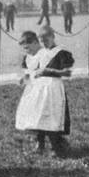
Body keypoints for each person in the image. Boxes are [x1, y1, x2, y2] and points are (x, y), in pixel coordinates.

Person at [15, 28, 73, 157]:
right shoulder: (40, 54)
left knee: (51, 116)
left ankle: (56, 147)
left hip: (53, 87)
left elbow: (67, 73)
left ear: (53, 37)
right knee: (37, 115)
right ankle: (40, 144)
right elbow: (32, 71)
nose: (44, 43)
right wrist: (25, 78)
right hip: (39, 88)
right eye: (42, 40)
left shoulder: (61, 52)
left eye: (46, 40)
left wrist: (46, 71)